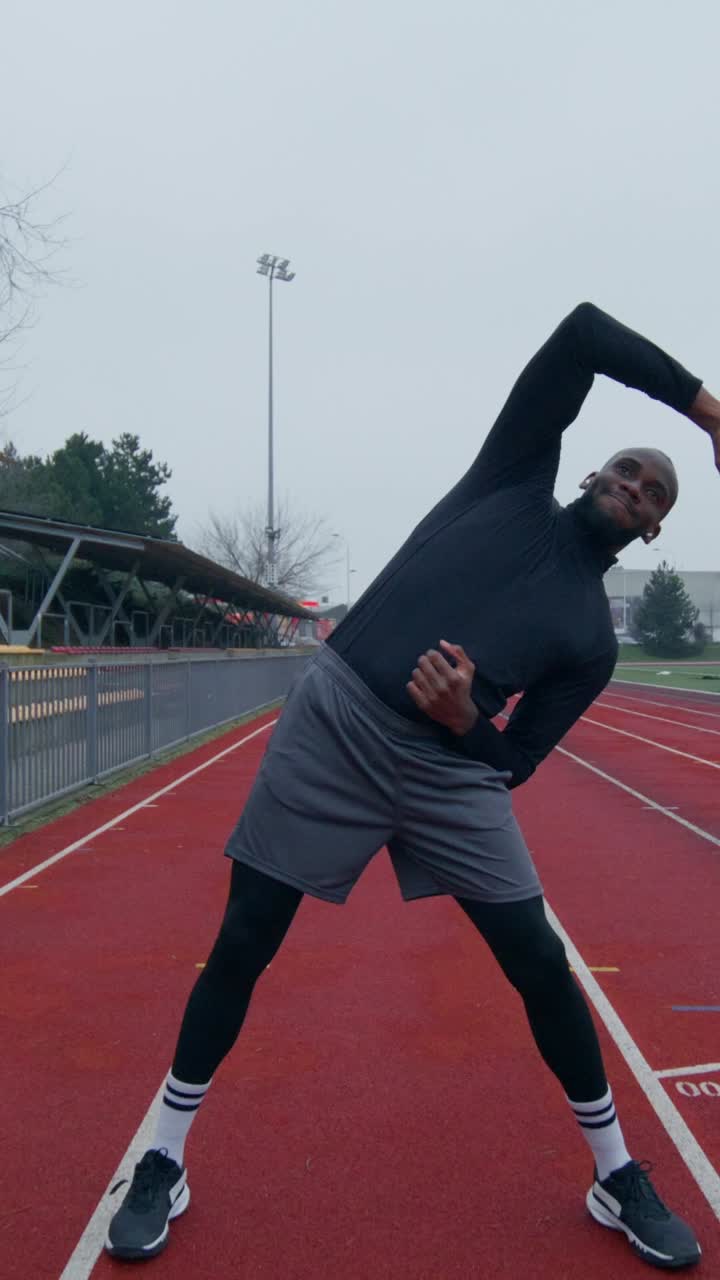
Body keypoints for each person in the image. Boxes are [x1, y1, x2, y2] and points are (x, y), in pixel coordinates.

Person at [107, 302, 718, 1269]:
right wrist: (707, 414)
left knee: (539, 962)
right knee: (244, 939)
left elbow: (513, 764)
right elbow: (585, 335)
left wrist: (465, 721)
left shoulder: (593, 642)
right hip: (338, 723)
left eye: (655, 498)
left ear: (651, 533)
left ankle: (614, 1174)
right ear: (595, 471)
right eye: (630, 471)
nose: (637, 489)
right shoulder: (511, 482)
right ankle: (163, 1158)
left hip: (450, 772)